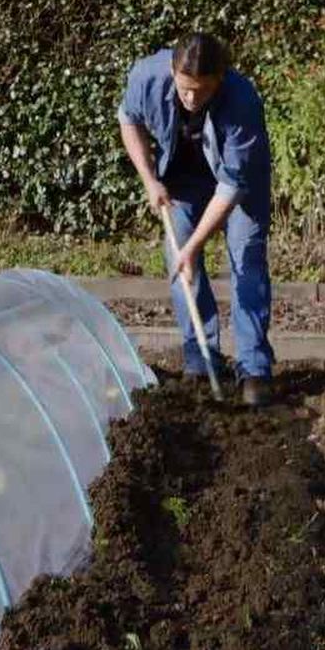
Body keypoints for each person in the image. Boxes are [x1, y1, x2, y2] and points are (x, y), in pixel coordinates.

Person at [116, 32, 275, 407]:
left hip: (238, 186)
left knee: (246, 262)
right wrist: (149, 179)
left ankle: (253, 368)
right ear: (172, 71)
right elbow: (129, 120)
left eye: (201, 91)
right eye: (185, 89)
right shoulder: (147, 76)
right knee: (181, 265)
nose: (191, 98)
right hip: (181, 181)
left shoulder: (242, 100)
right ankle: (202, 360)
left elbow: (232, 184)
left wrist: (193, 246)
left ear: (219, 80)